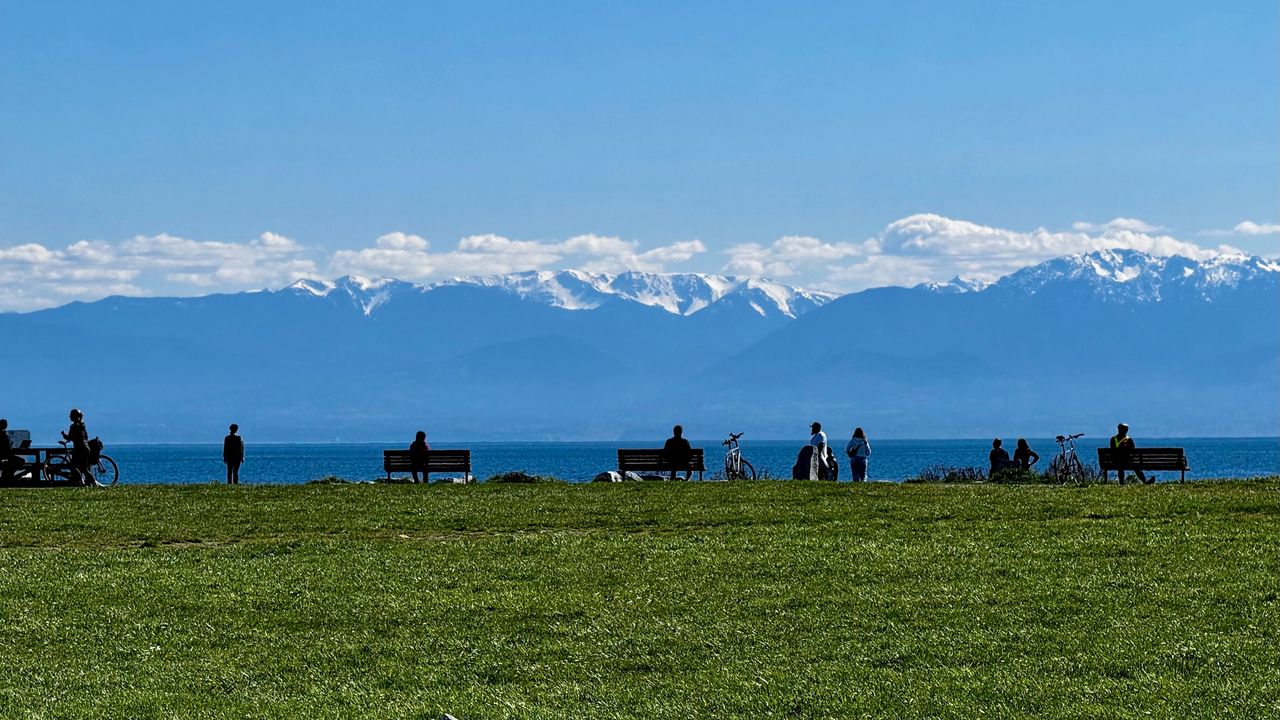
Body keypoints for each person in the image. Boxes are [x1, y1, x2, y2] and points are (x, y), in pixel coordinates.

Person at [61, 408, 93, 486]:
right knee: (84, 469)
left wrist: (63, 435)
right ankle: (91, 483)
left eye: (71, 416)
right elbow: (85, 436)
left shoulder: (73, 426)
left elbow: (69, 437)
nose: (70, 417)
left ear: (74, 417)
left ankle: (82, 482)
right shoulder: (82, 425)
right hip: (86, 448)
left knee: (73, 466)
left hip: (79, 449)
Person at [0, 418, 23, 483]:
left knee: (12, 462)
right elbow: (6, 447)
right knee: (21, 461)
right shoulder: (3, 435)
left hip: (5, 456)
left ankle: (7, 475)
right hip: (6, 456)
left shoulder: (4, 434)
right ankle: (8, 475)